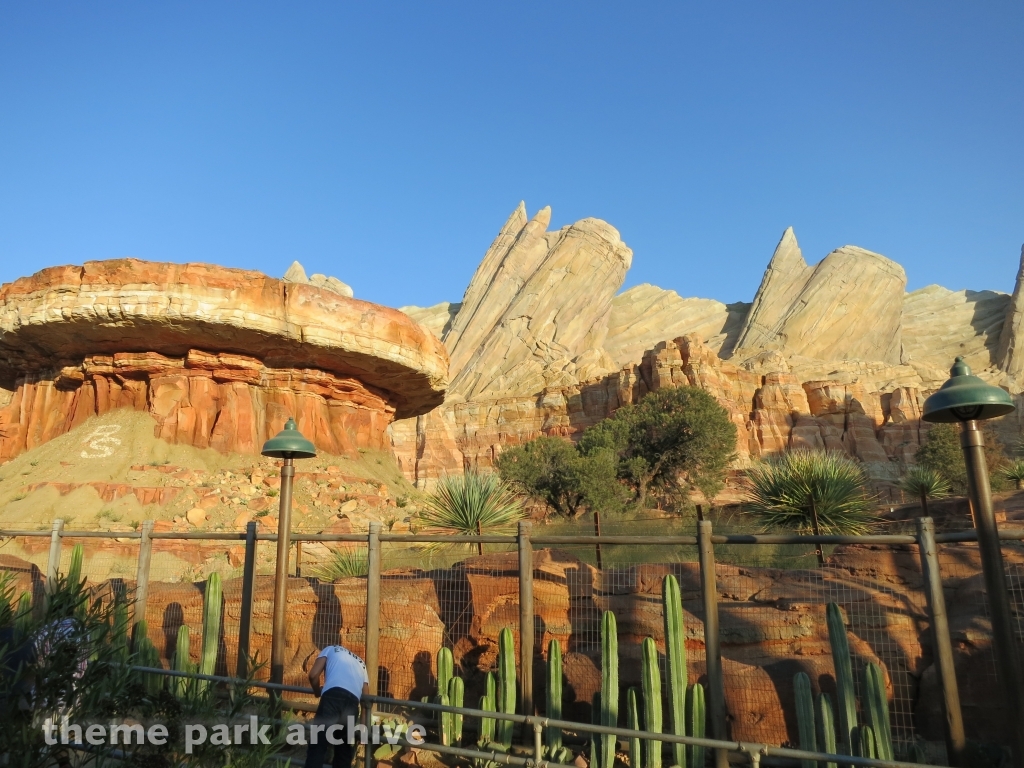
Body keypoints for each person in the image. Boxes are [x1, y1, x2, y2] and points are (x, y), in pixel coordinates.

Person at [304, 641, 370, 768]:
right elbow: (366, 700)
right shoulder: (361, 663)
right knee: (343, 751)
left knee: (318, 745)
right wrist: (363, 729)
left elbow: (313, 675)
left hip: (332, 697)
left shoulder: (329, 649)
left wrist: (318, 692)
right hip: (352, 704)